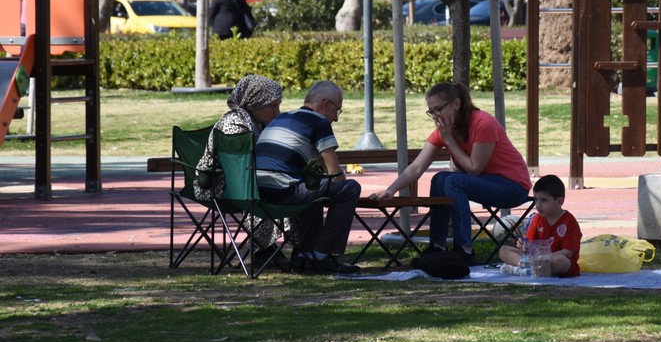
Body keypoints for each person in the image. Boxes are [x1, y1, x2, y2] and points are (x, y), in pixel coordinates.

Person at [369, 82, 532, 265]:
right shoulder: (445, 130)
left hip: (513, 187)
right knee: (439, 179)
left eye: (438, 109)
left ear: (456, 104)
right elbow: (416, 167)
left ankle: (464, 249)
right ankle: (437, 246)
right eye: (431, 111)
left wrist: (449, 140)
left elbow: (474, 168)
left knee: (453, 181)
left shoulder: (482, 123)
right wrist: (391, 190)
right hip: (486, 183)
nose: (435, 116)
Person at [255, 80, 361, 275]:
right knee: (349, 188)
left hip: (256, 193)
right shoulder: (319, 122)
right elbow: (335, 173)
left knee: (313, 191)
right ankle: (321, 255)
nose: (336, 119)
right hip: (284, 191)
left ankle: (304, 255)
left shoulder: (282, 117)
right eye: (337, 111)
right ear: (326, 104)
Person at [193, 74, 287, 268]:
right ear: (255, 104)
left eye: (279, 105)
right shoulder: (234, 125)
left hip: (251, 180)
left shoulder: (259, 123)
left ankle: (303, 252)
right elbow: (240, 170)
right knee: (278, 191)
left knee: (293, 188)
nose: (277, 112)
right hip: (224, 186)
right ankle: (265, 251)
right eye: (273, 106)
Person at [499, 175, 582, 277]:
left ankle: (523, 269)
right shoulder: (537, 219)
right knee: (504, 250)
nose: (538, 205)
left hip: (555, 260)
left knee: (561, 261)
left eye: (543, 200)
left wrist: (544, 259)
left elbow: (567, 253)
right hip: (535, 260)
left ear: (560, 201)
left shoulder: (569, 221)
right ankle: (525, 268)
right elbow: (529, 246)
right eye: (536, 200)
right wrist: (523, 245)